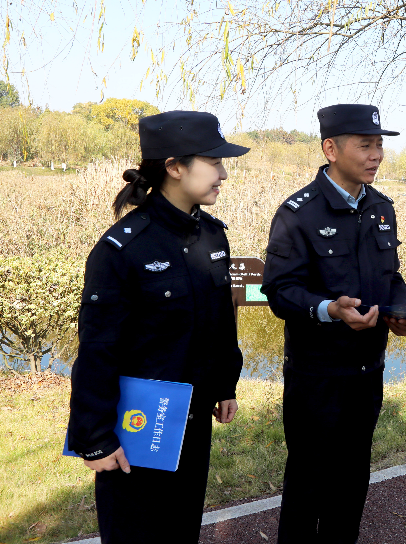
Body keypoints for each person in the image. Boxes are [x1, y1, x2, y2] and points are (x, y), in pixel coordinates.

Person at [67, 111, 249, 543]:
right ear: (174, 167)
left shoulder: (213, 236)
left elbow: (220, 321)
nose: (223, 174)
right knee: (136, 534)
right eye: (214, 162)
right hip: (137, 427)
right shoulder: (122, 249)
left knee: (182, 529)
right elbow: (98, 348)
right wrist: (95, 437)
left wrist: (225, 383)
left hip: (192, 418)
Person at [261, 103, 406, 543]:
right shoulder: (298, 213)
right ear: (331, 149)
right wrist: (329, 308)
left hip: (367, 374)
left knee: (351, 485)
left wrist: (399, 310)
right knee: (307, 485)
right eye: (365, 145)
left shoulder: (382, 208)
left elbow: (392, 276)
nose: (376, 155)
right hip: (317, 378)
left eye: (379, 145)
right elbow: (279, 290)